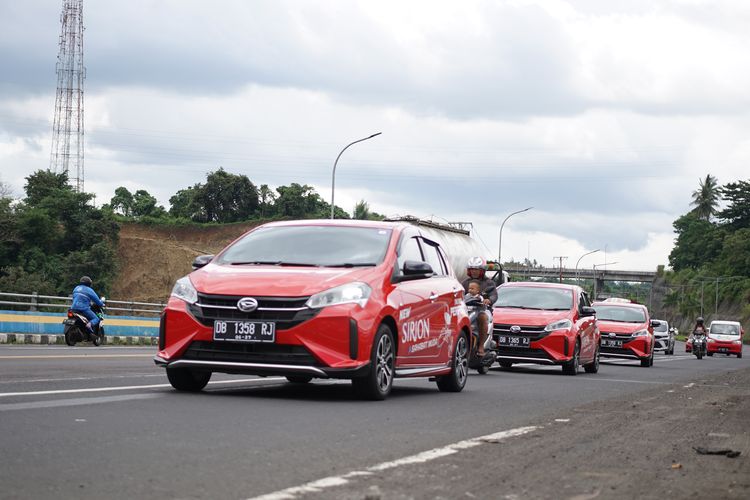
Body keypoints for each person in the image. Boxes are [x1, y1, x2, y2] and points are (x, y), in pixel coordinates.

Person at [461, 257, 498, 357]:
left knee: (482, 317)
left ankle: (481, 346)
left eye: (476, 269)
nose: (474, 271)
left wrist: (489, 300)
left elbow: (494, 295)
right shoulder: (464, 283)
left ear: (482, 270)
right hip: (467, 310)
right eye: (472, 269)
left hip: (483, 310)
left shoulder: (489, 283)